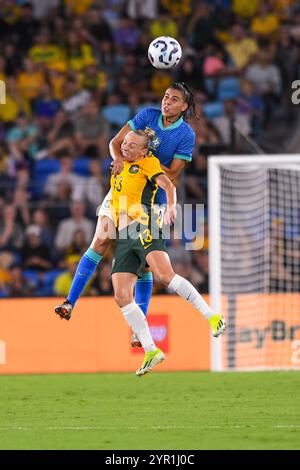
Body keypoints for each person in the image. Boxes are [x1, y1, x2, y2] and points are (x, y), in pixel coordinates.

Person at [54, 83, 196, 345]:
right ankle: (69, 302)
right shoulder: (146, 115)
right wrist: (119, 158)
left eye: (174, 99)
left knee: (142, 262)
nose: (167, 102)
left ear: (184, 107)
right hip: (121, 192)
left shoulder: (186, 134)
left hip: (151, 202)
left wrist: (143, 160)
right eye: (166, 96)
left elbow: (172, 174)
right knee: (99, 240)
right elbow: (115, 143)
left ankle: (138, 329)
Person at [109, 130, 226, 375]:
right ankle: (152, 350)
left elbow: (167, 185)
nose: (125, 147)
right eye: (125, 143)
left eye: (132, 145)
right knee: (121, 295)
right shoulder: (120, 165)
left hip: (144, 225)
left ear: (144, 151)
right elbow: (114, 146)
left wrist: (171, 206)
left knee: (165, 275)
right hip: (123, 236)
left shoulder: (147, 163)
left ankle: (211, 316)